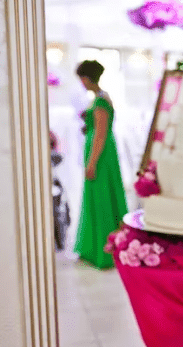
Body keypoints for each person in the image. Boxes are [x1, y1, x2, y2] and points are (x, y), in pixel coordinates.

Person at [74, 60, 128, 269]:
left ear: (86, 78)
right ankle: (100, 247)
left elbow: (101, 133)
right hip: (104, 153)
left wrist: (92, 163)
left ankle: (102, 250)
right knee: (101, 198)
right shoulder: (101, 97)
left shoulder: (100, 101)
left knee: (101, 199)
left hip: (101, 156)